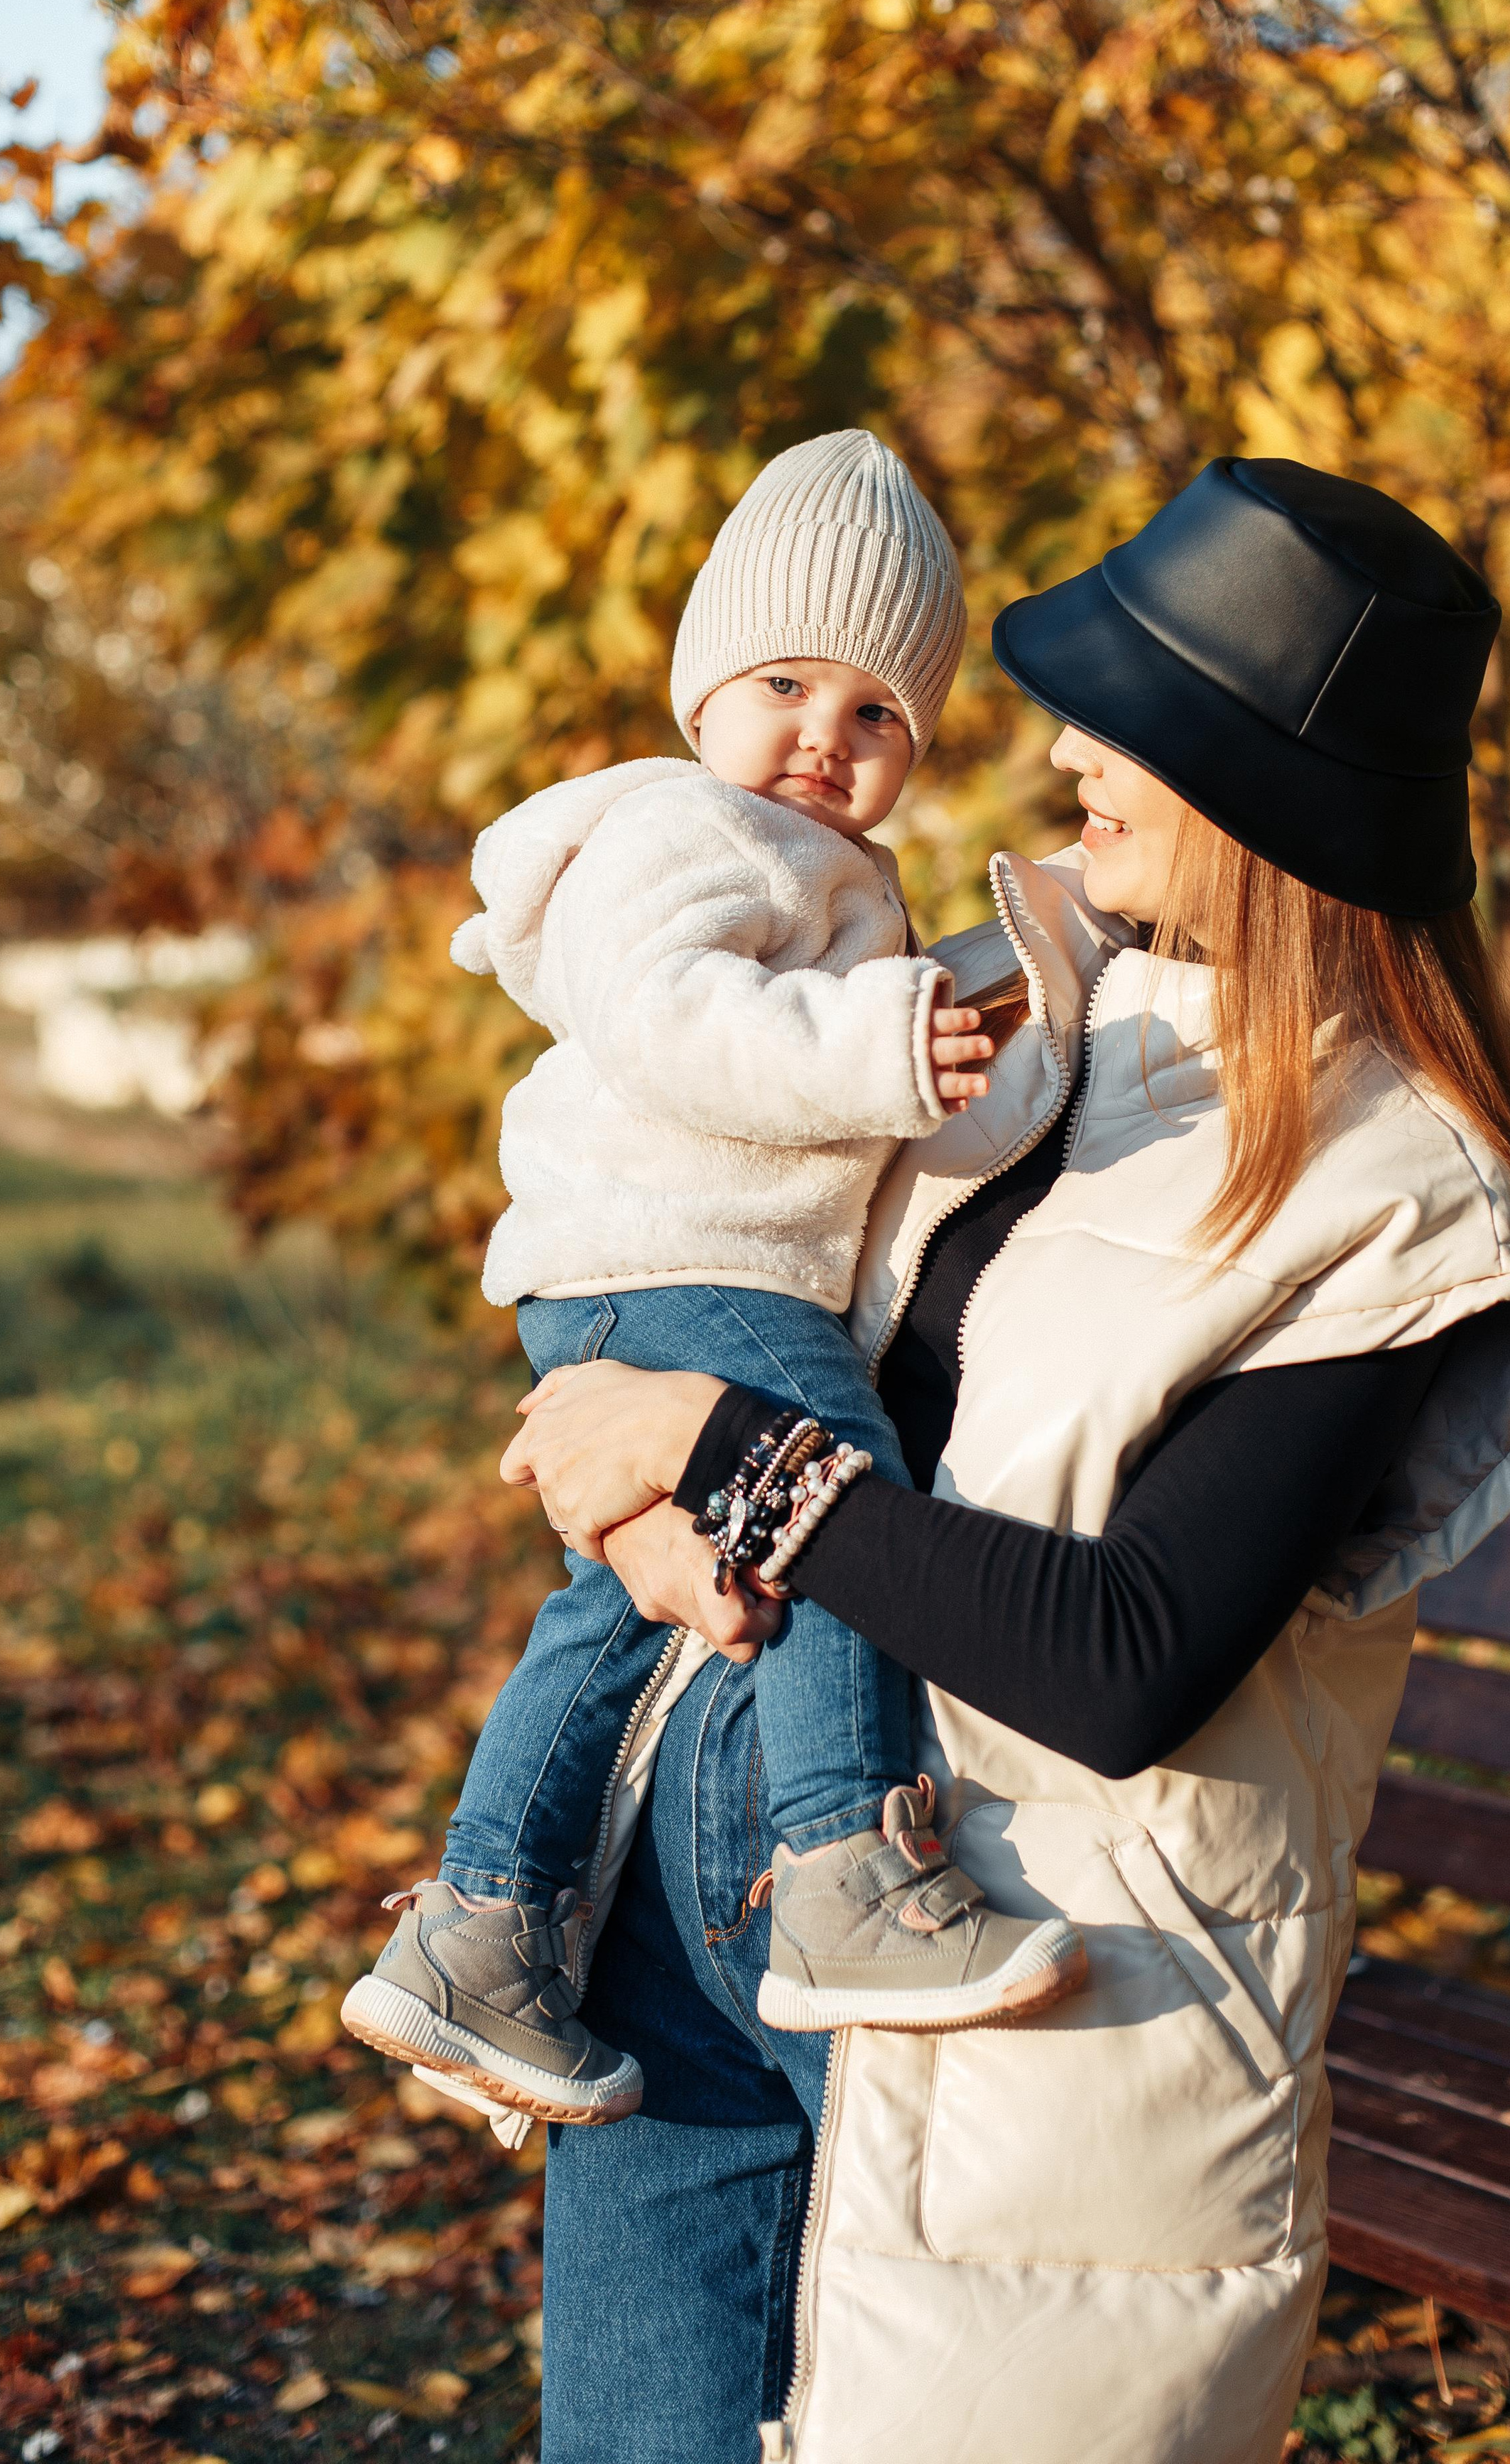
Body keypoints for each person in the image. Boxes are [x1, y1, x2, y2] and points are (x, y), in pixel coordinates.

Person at [499, 456, 1510, 2464]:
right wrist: (657, 1517)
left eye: (1130, 720)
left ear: (1263, 796)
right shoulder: (1060, 1049)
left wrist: (718, 1453)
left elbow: (1132, 1654)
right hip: (714, 1931)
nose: (1067, 750)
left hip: (1030, 2003)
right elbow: (757, 1340)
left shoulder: (1397, 1194)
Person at [341, 430, 1084, 2134]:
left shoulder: (829, 877)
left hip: (696, 1267)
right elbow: (685, 1028)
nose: (826, 736)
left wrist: (1010, 1030)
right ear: (698, 697)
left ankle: (479, 1933)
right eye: (784, 684)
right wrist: (884, 1036)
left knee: (622, 1606)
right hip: (677, 1264)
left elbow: (883, 1131)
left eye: (877, 712)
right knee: (829, 1492)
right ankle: (841, 1870)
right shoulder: (682, 835)